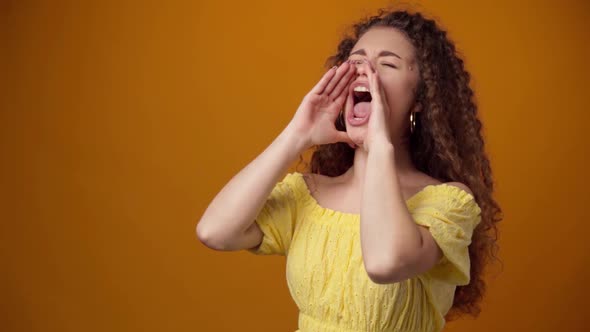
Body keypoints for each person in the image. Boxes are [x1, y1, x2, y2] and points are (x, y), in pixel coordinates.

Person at [197, 7, 502, 332]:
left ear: (419, 99)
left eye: (387, 64)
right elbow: (215, 232)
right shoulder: (308, 195)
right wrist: (296, 135)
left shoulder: (448, 201)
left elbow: (386, 263)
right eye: (356, 62)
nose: (365, 71)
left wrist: (378, 147)